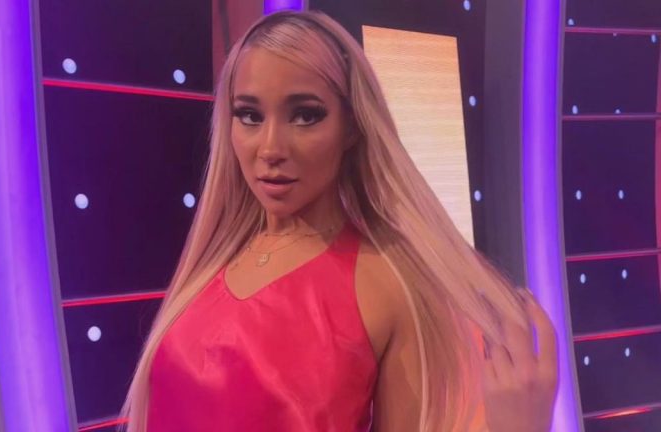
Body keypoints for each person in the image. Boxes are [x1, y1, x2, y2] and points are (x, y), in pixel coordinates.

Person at [123, 10, 558, 432]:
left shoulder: (386, 284)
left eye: (305, 115)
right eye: (250, 116)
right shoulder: (211, 263)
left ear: (351, 126)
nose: (270, 148)